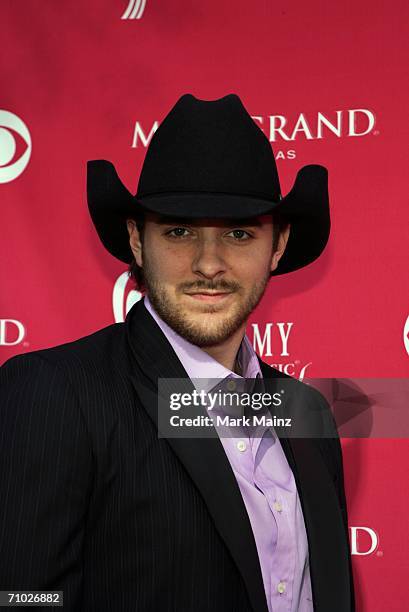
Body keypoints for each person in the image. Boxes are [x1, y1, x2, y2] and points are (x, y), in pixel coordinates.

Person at [0, 93, 355, 611]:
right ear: (138, 242)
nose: (208, 264)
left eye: (238, 233)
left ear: (277, 247)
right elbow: (23, 599)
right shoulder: (54, 393)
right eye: (179, 231)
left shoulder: (307, 410)